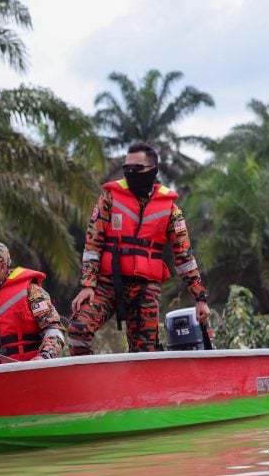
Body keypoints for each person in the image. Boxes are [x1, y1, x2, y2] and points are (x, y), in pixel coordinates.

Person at [68, 142, 210, 355]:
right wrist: (88, 284)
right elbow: (92, 244)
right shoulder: (110, 197)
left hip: (145, 288)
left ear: (153, 170)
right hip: (108, 284)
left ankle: (140, 386)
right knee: (78, 329)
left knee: (145, 352)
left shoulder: (170, 208)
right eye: (127, 169)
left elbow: (184, 257)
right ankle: (88, 381)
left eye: (137, 169)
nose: (130, 173)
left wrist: (200, 299)